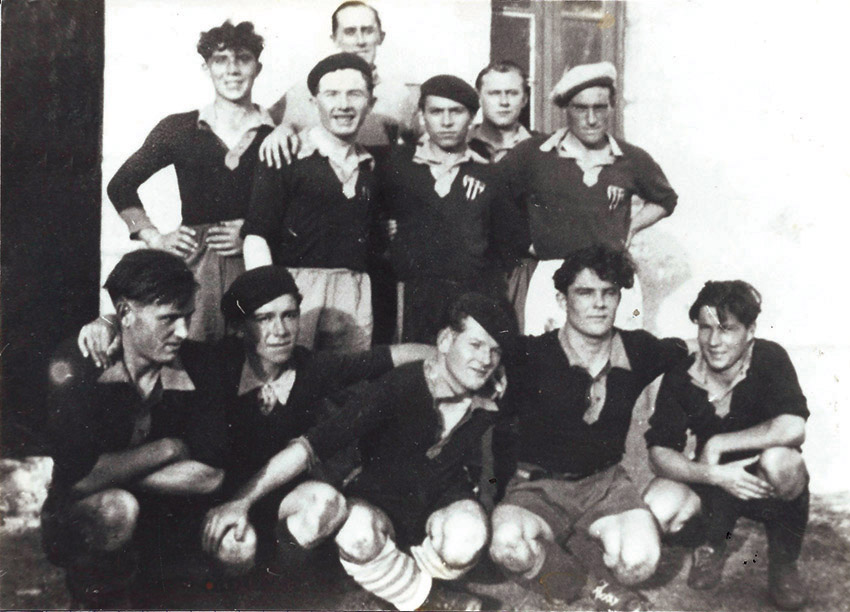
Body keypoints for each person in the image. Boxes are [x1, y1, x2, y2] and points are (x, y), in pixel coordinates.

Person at [76, 265, 434, 585]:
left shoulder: (312, 368)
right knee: (237, 549)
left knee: (328, 504)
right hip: (214, 499)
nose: (280, 331)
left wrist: (446, 357)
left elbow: (392, 356)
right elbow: (148, 328)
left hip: (276, 497)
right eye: (264, 319)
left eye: (290, 315)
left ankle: (280, 586)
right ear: (238, 327)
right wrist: (106, 322)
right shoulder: (216, 363)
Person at [201, 293, 516, 611]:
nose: (485, 360)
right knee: (357, 532)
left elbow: (490, 470)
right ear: (445, 340)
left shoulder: (491, 399)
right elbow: (310, 446)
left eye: (495, 351)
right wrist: (242, 500)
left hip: (440, 510)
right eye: (476, 345)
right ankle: (428, 599)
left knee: (469, 535)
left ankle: (399, 581)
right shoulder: (397, 386)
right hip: (378, 510)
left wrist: (484, 511)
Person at [488, 245, 687, 611]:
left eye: (609, 293)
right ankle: (591, 587)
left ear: (619, 298)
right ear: (562, 300)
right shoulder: (529, 355)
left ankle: (566, 554)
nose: (599, 303)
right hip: (538, 487)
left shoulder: (638, 349)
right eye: (585, 292)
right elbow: (464, 359)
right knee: (507, 544)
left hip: (606, 486)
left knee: (639, 563)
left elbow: (688, 350)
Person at [42, 250, 228, 608]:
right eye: (169, 318)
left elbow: (210, 475)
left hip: (168, 523)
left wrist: (110, 471)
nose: (183, 332)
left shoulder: (201, 363)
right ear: (125, 313)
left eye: (188, 316)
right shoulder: (77, 364)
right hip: (82, 519)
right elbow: (77, 480)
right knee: (117, 508)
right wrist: (168, 449)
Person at [643, 281, 810, 610]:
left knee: (783, 462)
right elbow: (658, 453)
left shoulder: (769, 357)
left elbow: (794, 426)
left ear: (750, 331)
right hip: (713, 477)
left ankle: (783, 562)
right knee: (657, 507)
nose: (714, 341)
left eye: (727, 328)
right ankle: (711, 546)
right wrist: (712, 474)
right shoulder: (683, 371)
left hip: (760, 479)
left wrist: (720, 442)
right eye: (705, 328)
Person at [107, 21, 273, 342]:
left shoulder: (276, 134)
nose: (232, 70)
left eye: (243, 58)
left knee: (255, 352)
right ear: (206, 68)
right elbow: (120, 186)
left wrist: (254, 232)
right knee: (194, 350)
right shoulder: (178, 129)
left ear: (258, 67)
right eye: (220, 60)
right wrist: (154, 237)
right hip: (198, 266)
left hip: (256, 261)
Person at [500, 62, 678, 334]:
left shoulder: (631, 158)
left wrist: (630, 229)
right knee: (548, 354)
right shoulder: (533, 154)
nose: (591, 119)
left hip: (611, 278)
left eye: (600, 107)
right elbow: (496, 199)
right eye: (581, 108)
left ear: (611, 107)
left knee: (619, 351)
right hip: (552, 278)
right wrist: (527, 242)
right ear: (566, 109)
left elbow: (665, 200)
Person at [242, 53, 380, 352]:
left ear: (371, 102)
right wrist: (269, 299)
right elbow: (256, 234)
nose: (343, 105)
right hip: (298, 292)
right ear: (313, 102)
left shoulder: (371, 164)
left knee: (349, 376)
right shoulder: (285, 153)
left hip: (355, 294)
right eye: (332, 94)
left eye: (355, 94)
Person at [383, 74, 526, 343]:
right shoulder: (397, 167)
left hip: (472, 299)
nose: (446, 122)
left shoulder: (491, 175)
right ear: (422, 115)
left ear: (472, 117)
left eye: (456, 112)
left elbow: (506, 248)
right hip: (414, 300)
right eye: (436, 112)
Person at [259, 0, 418, 167]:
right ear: (334, 39)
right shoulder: (303, 91)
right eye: (350, 32)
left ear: (381, 37)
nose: (360, 41)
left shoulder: (399, 94)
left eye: (368, 31)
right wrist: (280, 131)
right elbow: (265, 126)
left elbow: (425, 142)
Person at [468, 60, 533, 163]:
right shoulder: (459, 145)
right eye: (495, 93)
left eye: (512, 93)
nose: (504, 102)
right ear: (478, 97)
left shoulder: (542, 148)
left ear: (525, 99)